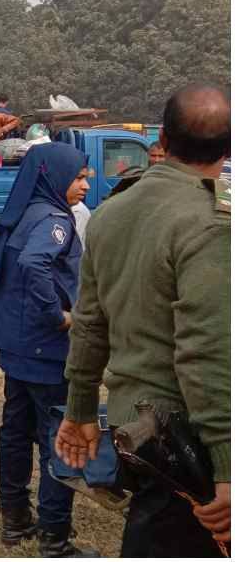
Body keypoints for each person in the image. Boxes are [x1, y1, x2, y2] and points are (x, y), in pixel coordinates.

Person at [56, 85, 231, 558]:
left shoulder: (111, 213)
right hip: (191, 436)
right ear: (228, 147)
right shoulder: (212, 222)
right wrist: (226, 466)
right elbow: (207, 350)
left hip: (138, 425)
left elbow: (90, 321)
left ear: (165, 139)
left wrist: (79, 409)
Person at [0, 143, 97, 556]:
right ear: (53, 177)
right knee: (59, 437)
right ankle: (55, 534)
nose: (85, 185)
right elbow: (35, 265)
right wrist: (59, 316)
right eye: (79, 177)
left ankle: (14, 516)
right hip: (46, 348)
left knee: (15, 431)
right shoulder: (55, 220)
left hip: (15, 346)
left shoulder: (21, 214)